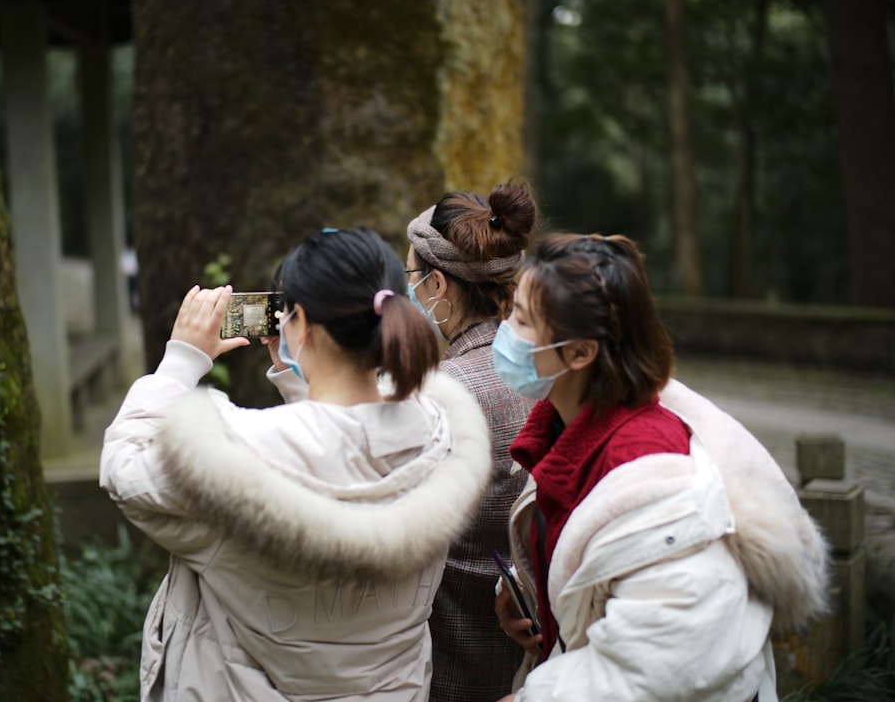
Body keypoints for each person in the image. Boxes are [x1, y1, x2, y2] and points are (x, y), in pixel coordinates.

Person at [100, 227, 494, 702]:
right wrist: (300, 377)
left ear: (300, 322)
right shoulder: (440, 436)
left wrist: (181, 361)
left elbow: (125, 467)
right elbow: (352, 444)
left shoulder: (232, 459)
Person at [492, 233, 830, 701]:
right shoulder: (561, 430)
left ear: (580, 352)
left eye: (522, 321)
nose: (505, 332)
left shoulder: (654, 473)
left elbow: (660, 665)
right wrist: (532, 587)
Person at [404, 181, 539, 702]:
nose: (408, 290)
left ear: (438, 286)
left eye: (412, 277)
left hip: (453, 655)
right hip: (535, 645)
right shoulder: (546, 374)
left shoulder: (444, 393)